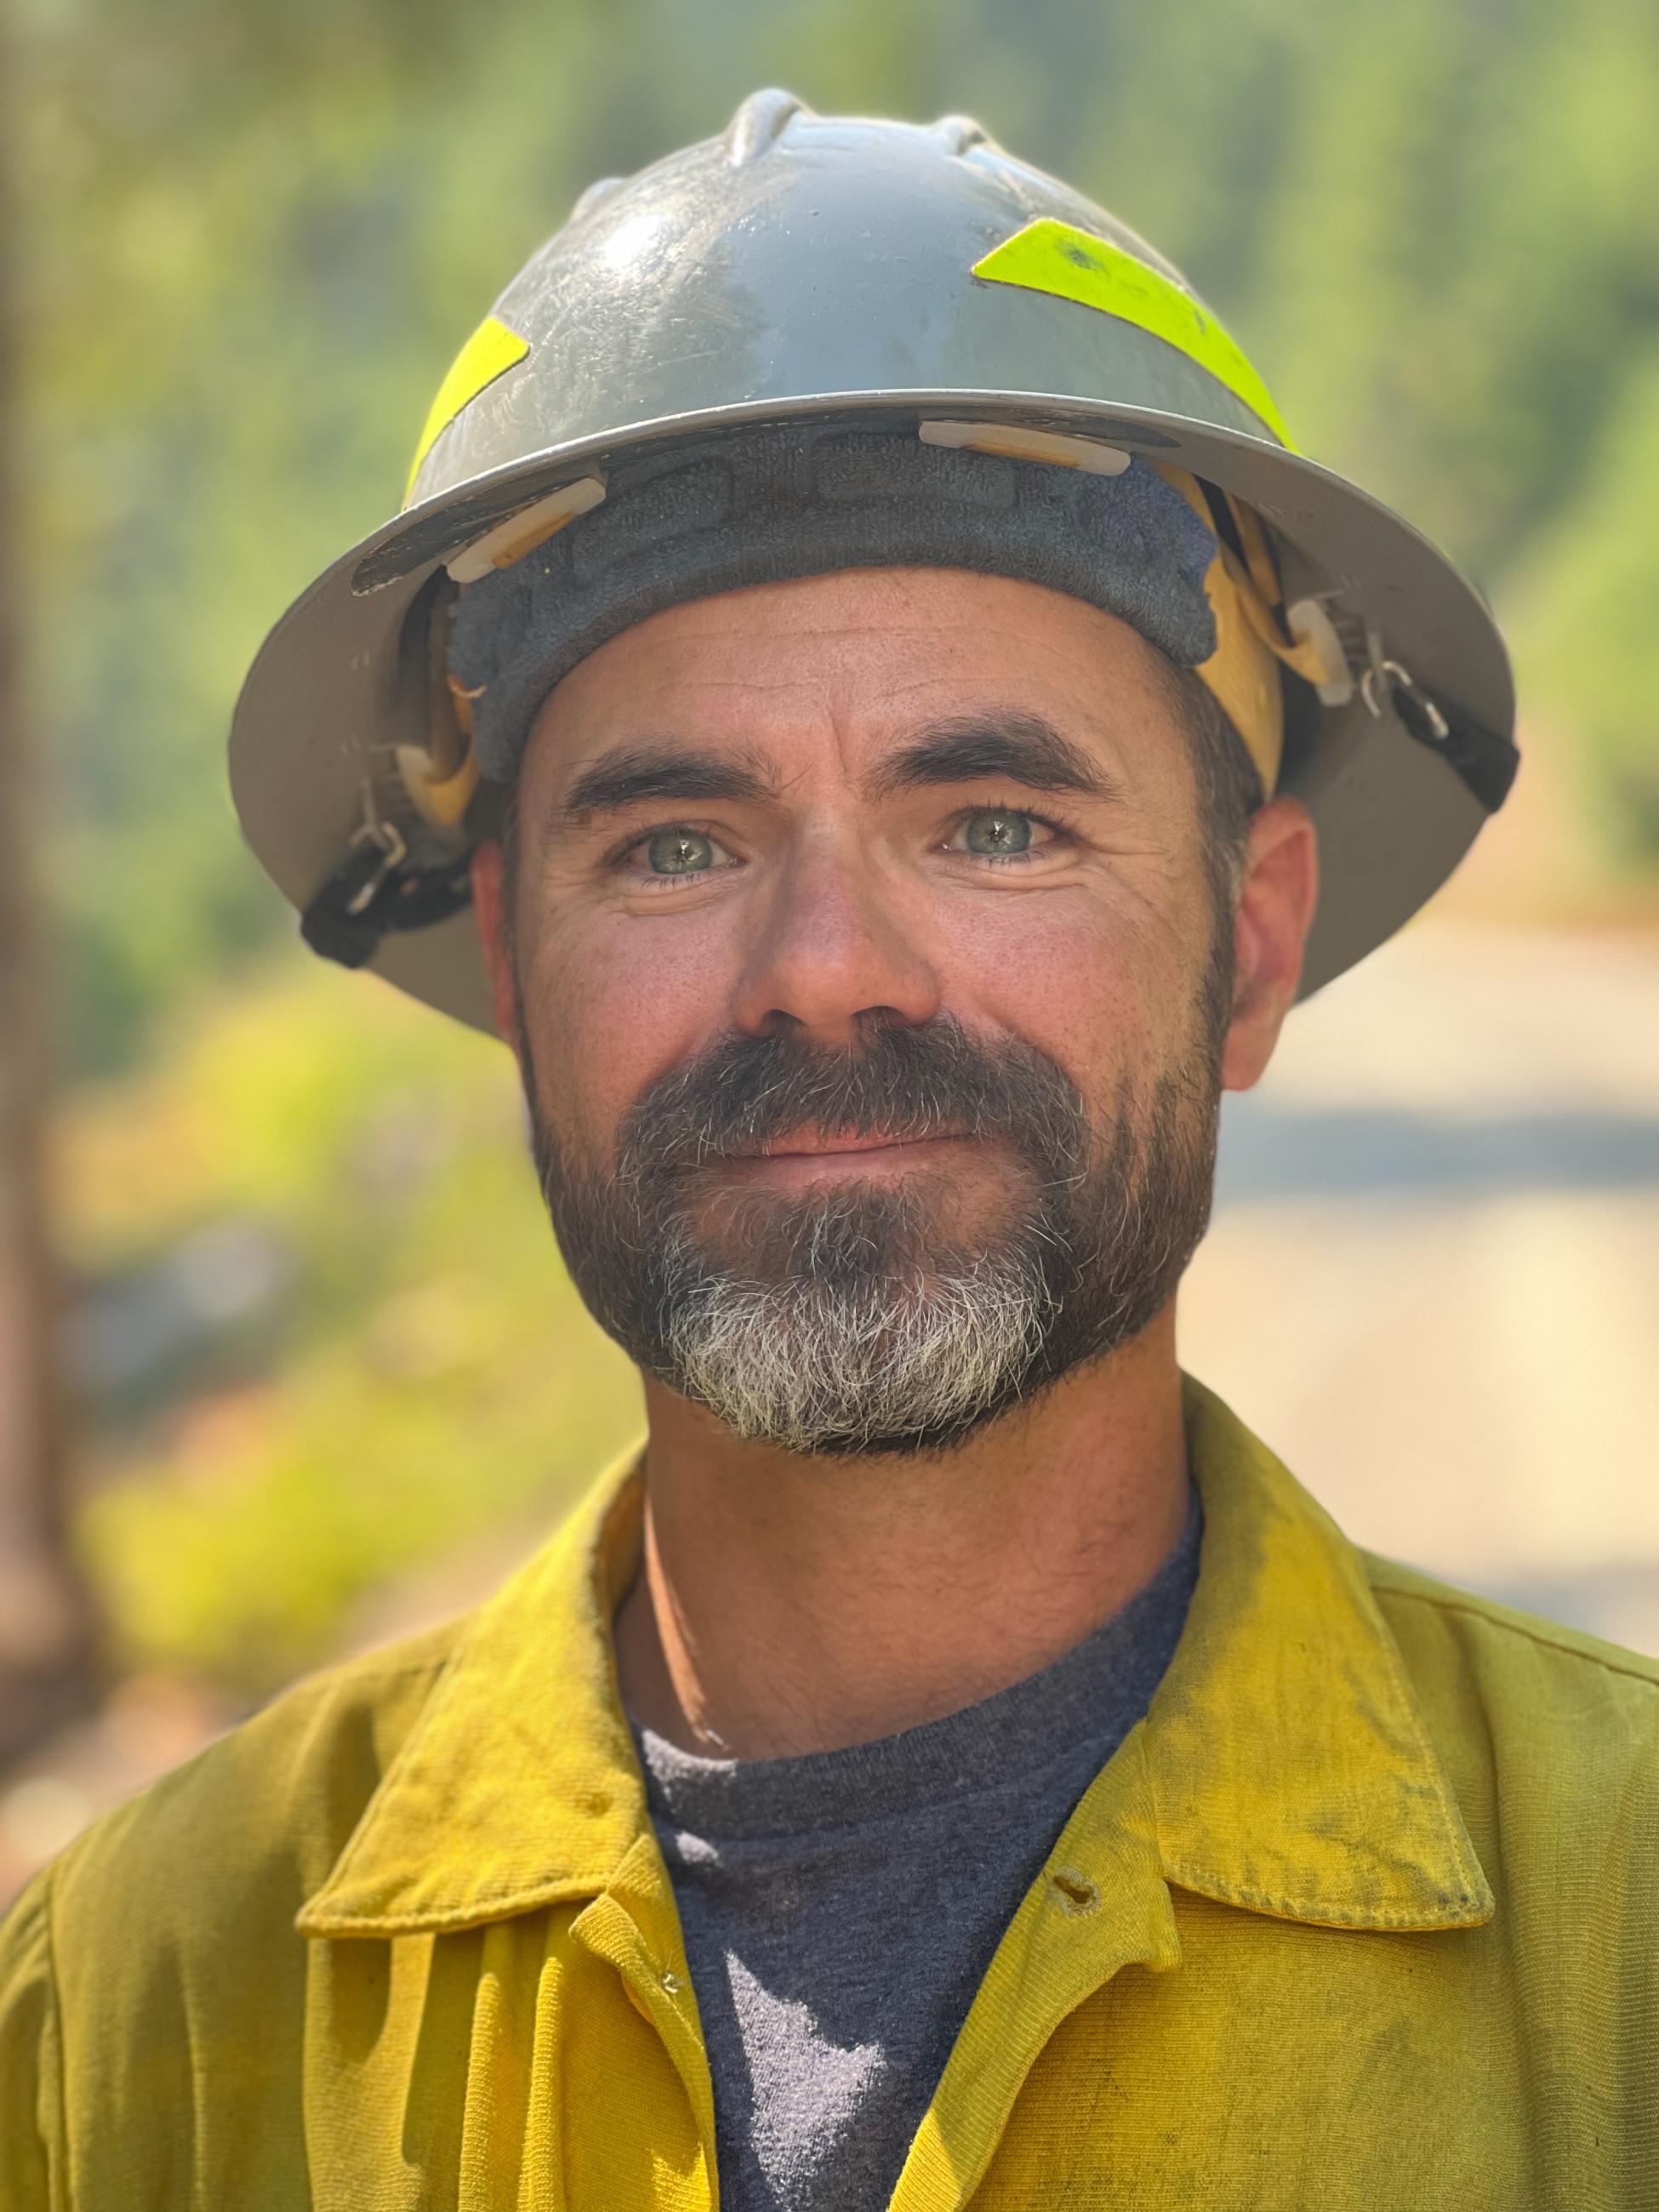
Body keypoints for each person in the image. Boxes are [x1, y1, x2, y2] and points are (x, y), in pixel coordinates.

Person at [2, 91, 1653, 2212]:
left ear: (1249, 950)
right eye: (676, 842)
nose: (828, 972)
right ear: (514, 961)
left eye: (996, 825)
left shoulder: (1624, 1944)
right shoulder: (129, 2025)